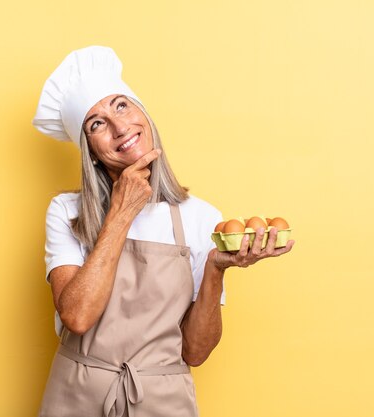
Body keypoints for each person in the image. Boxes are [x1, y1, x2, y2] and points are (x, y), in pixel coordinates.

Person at [32, 46, 294, 417]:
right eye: (97, 123)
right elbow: (77, 316)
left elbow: (195, 352)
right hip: (76, 398)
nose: (120, 127)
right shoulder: (66, 212)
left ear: (144, 115)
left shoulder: (202, 217)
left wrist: (215, 270)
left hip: (161, 401)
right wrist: (121, 212)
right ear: (89, 150)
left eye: (122, 106)